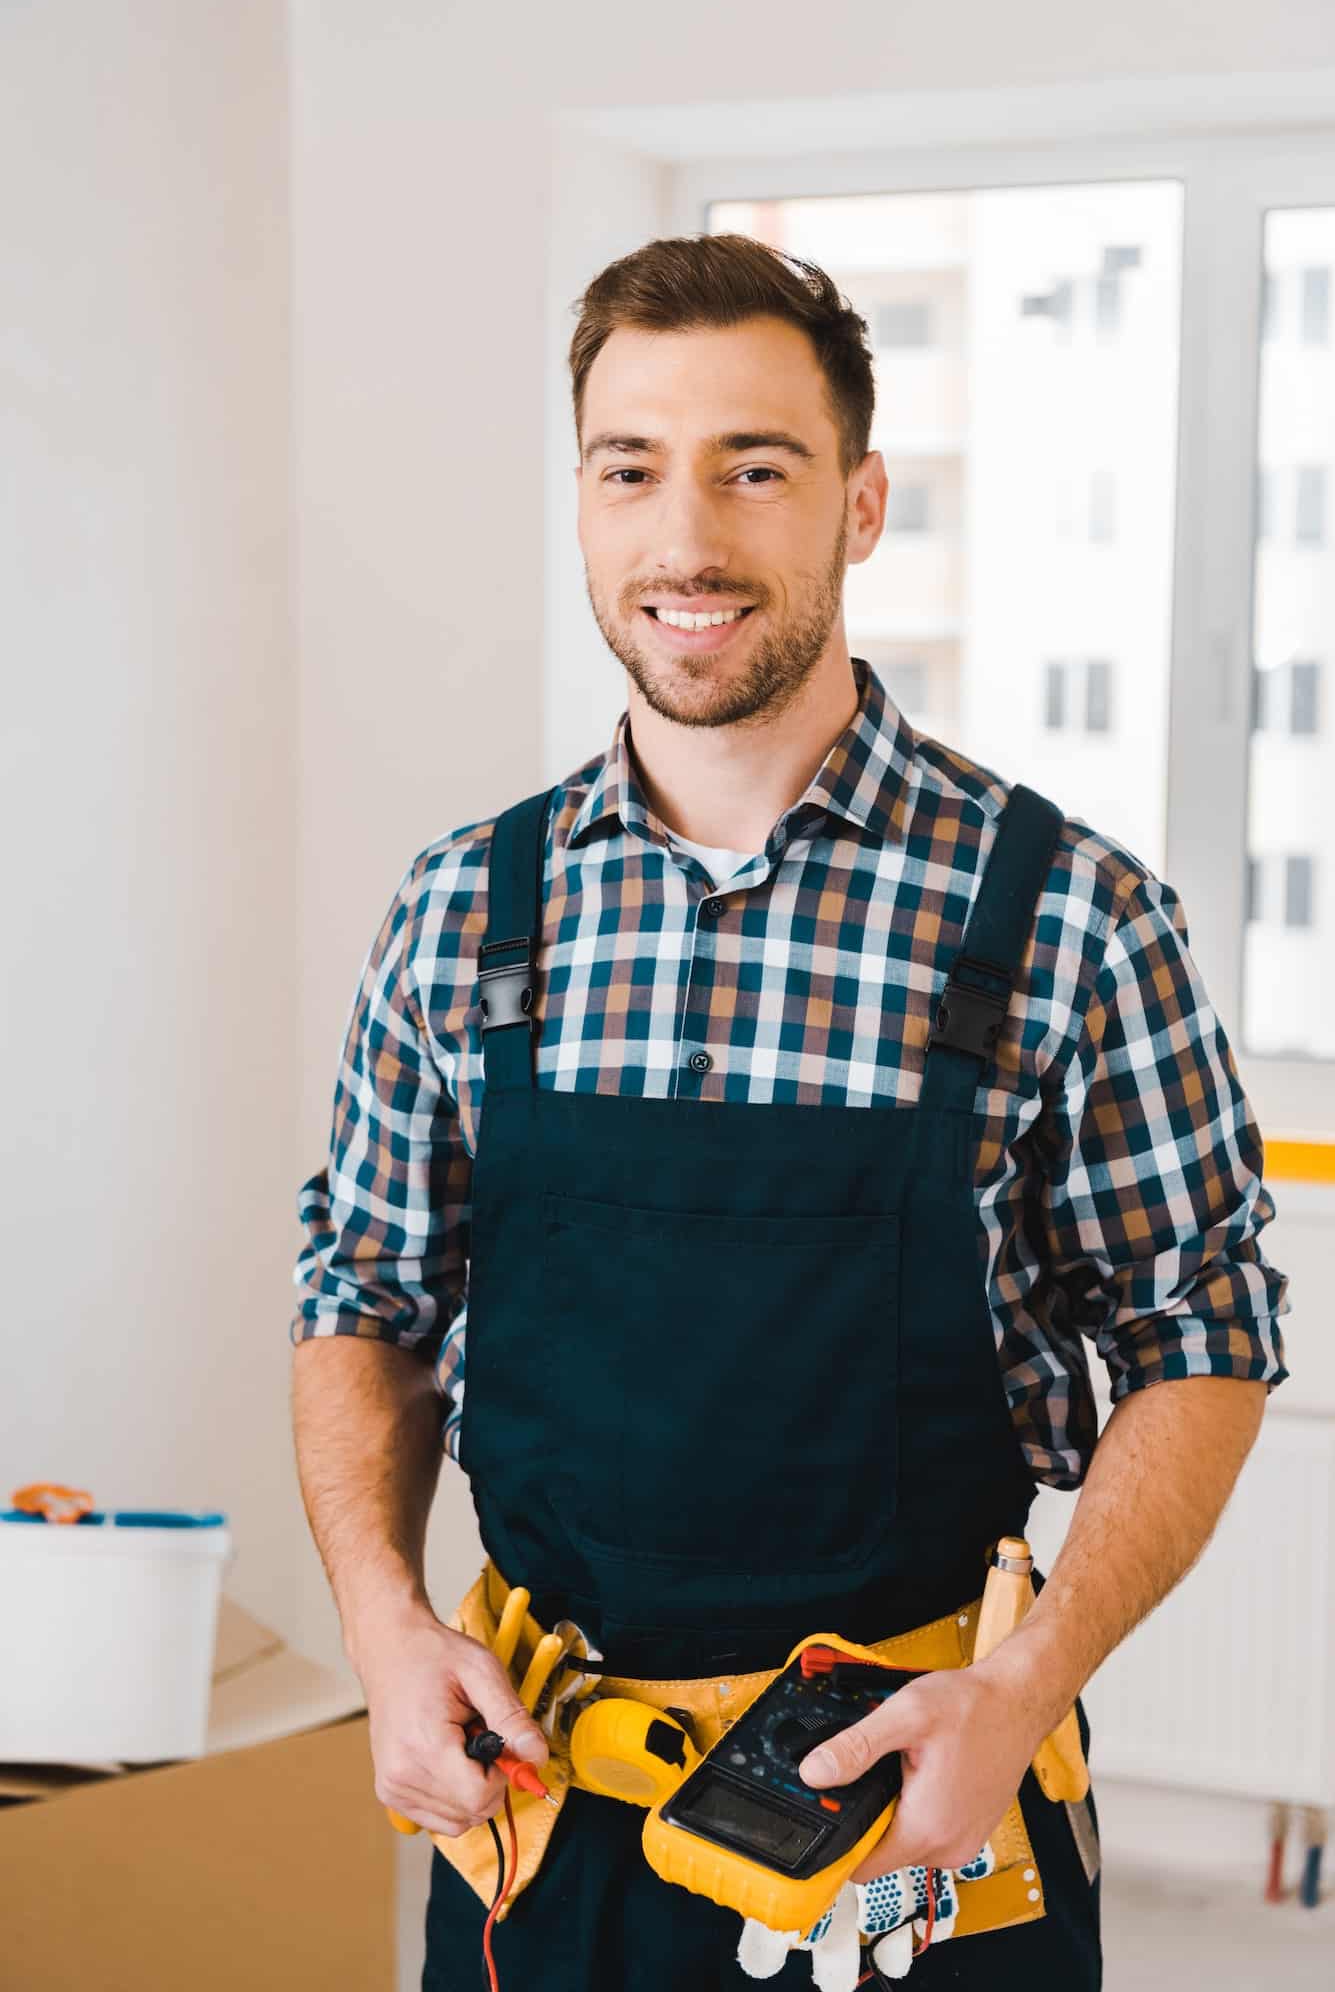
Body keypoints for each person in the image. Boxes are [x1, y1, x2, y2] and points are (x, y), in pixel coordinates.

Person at [290, 234, 1290, 1990]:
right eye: (630, 471)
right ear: (584, 504)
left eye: (756, 466)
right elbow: (363, 1296)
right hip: (546, 1820)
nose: (687, 538)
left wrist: (1026, 1686)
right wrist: (384, 1624)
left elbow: (1201, 1335)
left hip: (922, 1821)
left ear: (864, 502)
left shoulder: (1067, 918)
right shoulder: (463, 913)